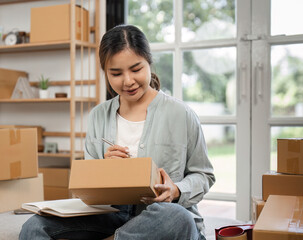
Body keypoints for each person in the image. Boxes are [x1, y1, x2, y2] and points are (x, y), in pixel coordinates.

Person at [20, 24, 215, 240]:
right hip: (112, 213)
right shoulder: (98, 116)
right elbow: (89, 191)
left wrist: (176, 190)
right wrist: (104, 170)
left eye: (136, 69)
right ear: (105, 73)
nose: (128, 81)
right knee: (35, 227)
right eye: (116, 73)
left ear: (149, 63)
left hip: (159, 214)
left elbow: (204, 175)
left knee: (178, 218)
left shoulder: (181, 114)